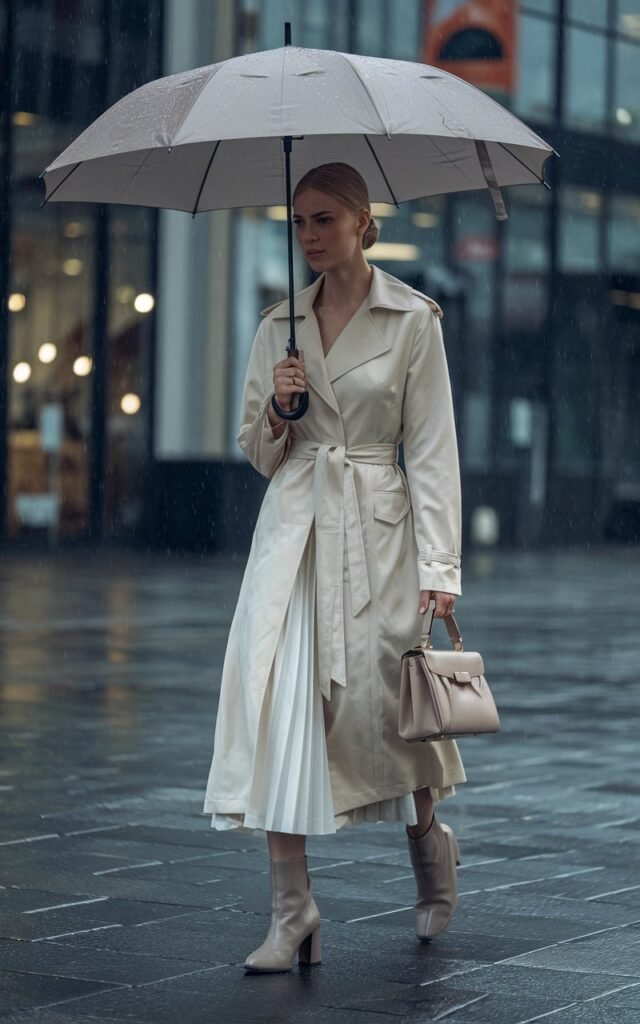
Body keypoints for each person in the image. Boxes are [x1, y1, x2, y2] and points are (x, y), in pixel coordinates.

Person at [202, 161, 466, 974]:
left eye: (324, 219)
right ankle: (293, 911)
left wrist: (440, 566)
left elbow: (431, 449)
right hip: (293, 532)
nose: (309, 236)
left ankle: (431, 848)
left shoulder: (412, 319)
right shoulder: (277, 324)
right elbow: (257, 453)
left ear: (362, 222)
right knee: (277, 701)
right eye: (299, 222)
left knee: (390, 711)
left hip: (379, 533)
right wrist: (281, 409)